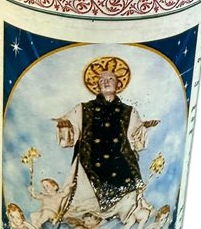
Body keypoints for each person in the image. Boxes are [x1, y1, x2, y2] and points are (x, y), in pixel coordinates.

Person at [54, 66, 159, 221]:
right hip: (91, 161)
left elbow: (135, 138)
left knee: (127, 197)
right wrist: (65, 126)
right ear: (97, 86)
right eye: (101, 80)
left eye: (110, 79)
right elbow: (70, 128)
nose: (105, 82)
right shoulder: (83, 108)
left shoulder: (129, 111)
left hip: (120, 162)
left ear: (118, 84)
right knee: (84, 201)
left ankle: (122, 220)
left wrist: (144, 127)